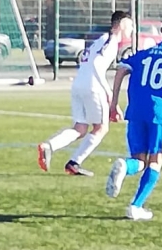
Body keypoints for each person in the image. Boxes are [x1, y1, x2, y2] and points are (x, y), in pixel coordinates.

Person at [106, 14, 162, 220]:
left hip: (136, 110)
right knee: (155, 161)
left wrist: (114, 102)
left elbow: (120, 70)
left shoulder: (143, 54)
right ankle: (136, 206)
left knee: (139, 160)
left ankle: (125, 166)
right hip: (160, 114)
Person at [37, 10, 135, 177]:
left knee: (80, 128)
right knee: (101, 128)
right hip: (92, 87)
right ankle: (74, 162)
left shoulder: (101, 40)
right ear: (121, 25)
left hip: (79, 84)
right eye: (130, 25)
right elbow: (97, 65)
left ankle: (49, 147)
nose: (132, 29)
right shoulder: (111, 41)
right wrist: (109, 93)